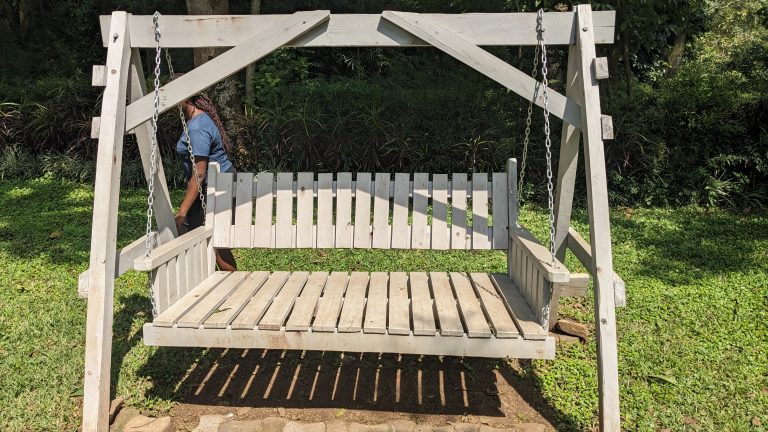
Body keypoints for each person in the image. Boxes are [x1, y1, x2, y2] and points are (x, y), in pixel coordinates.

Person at [175, 93, 237, 271]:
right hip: (214, 184)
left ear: (185, 97)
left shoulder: (198, 128)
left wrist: (182, 212)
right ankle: (206, 281)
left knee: (213, 241)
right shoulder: (197, 118)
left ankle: (235, 285)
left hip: (217, 187)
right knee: (200, 237)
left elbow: (199, 173)